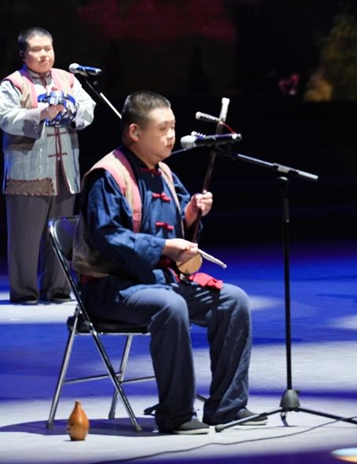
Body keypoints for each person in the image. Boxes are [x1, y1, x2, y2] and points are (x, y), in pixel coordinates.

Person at [72, 90, 264, 434]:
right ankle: (175, 414)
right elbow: (110, 240)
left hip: (157, 282)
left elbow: (179, 235)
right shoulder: (107, 175)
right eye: (163, 129)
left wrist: (190, 216)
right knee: (170, 306)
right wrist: (164, 246)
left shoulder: (164, 174)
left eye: (173, 127)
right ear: (135, 132)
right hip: (110, 287)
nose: (172, 136)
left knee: (233, 301)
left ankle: (227, 406)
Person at [0, 27, 96, 305]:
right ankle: (25, 291)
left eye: (48, 48)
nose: (44, 54)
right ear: (23, 54)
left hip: (64, 170)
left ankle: (58, 289)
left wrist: (72, 111)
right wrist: (40, 113)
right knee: (25, 239)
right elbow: (6, 117)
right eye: (37, 49)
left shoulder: (67, 79)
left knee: (62, 233)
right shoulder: (12, 84)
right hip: (27, 170)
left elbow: (88, 107)